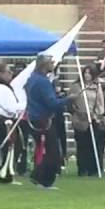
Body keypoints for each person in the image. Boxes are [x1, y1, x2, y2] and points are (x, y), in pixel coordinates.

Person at [25, 55, 72, 190]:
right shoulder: (43, 82)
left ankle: (39, 177)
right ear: (44, 65)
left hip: (34, 118)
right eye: (51, 62)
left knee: (45, 151)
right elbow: (52, 103)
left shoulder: (32, 79)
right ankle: (42, 179)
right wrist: (67, 99)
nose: (53, 64)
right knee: (53, 153)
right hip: (43, 120)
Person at [0, 63, 26, 183]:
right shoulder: (2, 88)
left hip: (4, 120)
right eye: (8, 72)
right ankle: (5, 174)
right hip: (5, 120)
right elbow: (10, 108)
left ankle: (7, 173)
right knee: (11, 147)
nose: (11, 74)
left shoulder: (1, 87)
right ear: (1, 74)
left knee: (13, 147)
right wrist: (24, 105)